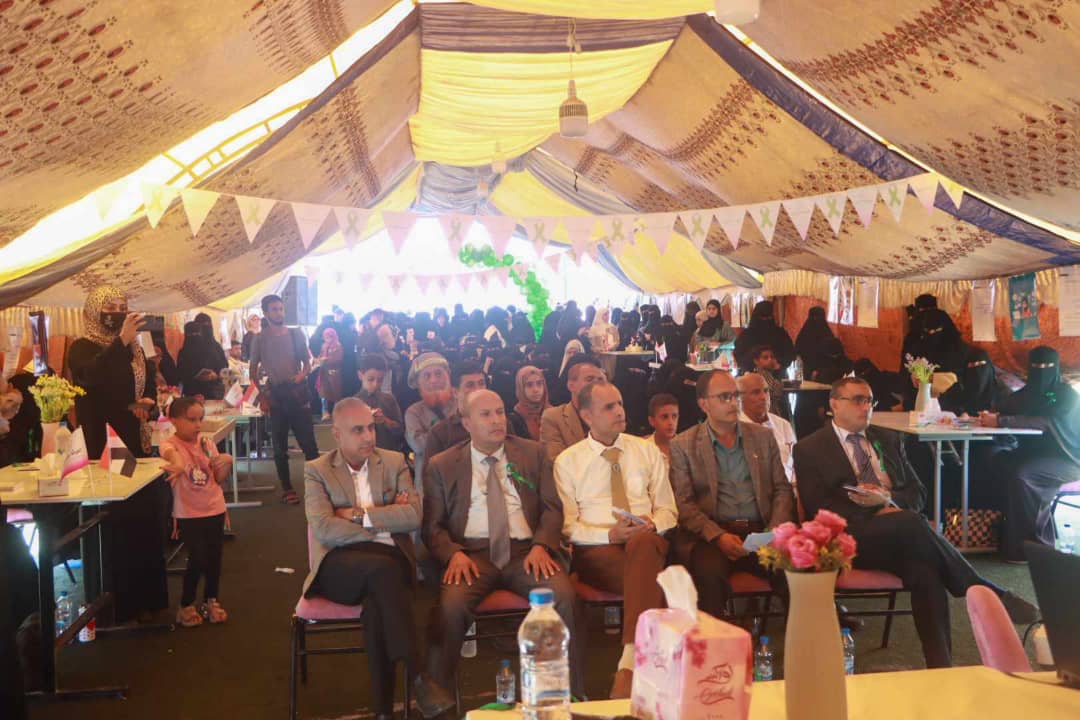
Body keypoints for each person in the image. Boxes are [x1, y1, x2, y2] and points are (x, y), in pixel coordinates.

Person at [794, 377, 1038, 668]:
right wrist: (874, 511)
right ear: (834, 404)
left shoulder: (887, 439)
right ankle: (982, 588)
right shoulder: (810, 448)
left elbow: (918, 493)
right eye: (857, 400)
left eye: (870, 400)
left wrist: (888, 499)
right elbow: (818, 507)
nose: (866, 407)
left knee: (926, 571)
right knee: (911, 523)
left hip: (901, 533)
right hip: (851, 537)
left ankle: (940, 666)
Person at [422, 390, 583, 696]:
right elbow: (432, 527)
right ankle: (436, 695)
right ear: (466, 423)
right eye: (486, 415)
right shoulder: (442, 465)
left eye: (500, 412)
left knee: (563, 596)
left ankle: (571, 693)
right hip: (471, 555)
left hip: (526, 553)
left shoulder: (533, 453)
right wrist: (453, 554)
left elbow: (552, 508)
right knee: (451, 606)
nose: (497, 420)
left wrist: (542, 545)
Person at [303, 398, 454, 720]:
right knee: (383, 573)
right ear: (337, 434)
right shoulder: (317, 470)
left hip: (388, 562)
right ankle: (417, 676)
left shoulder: (393, 461)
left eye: (371, 428)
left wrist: (357, 516)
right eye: (358, 430)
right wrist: (384, 520)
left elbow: (413, 516)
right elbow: (325, 529)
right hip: (339, 565)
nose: (369, 436)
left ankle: (384, 711)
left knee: (377, 606)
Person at [554, 381, 677, 699]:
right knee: (658, 586)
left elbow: (668, 510)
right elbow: (567, 526)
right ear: (586, 416)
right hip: (598, 550)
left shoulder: (645, 450)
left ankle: (629, 662)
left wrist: (652, 523)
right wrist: (607, 534)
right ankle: (656, 674)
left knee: (644, 544)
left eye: (620, 403)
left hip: (647, 541)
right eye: (609, 407)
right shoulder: (568, 461)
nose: (620, 411)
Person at [67, 284, 169, 623]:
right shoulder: (82, 348)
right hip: (106, 445)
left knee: (145, 518)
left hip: (136, 441)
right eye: (109, 307)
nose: (117, 312)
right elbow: (92, 379)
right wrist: (120, 342)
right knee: (117, 522)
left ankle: (149, 601)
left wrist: (148, 404)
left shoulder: (136, 348)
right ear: (94, 311)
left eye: (122, 305)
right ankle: (117, 606)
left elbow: (146, 383)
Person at [669, 370, 794, 619]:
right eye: (724, 397)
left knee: (795, 568)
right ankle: (716, 639)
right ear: (704, 404)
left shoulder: (763, 437)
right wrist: (718, 537)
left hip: (760, 530)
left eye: (736, 396)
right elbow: (684, 504)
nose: (733, 403)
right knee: (709, 577)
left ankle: (808, 636)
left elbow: (782, 488)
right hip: (712, 534)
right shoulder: (684, 444)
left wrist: (773, 531)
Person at [978, 346, 1080, 562]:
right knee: (994, 460)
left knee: (1024, 475)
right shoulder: (1026, 393)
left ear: (1056, 368)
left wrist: (1001, 421)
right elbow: (1005, 407)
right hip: (1032, 455)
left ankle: (1030, 547)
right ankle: (994, 536)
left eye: (1046, 366)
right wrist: (987, 415)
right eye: (1036, 367)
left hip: (1069, 459)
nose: (1041, 371)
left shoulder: (1067, 396)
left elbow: (1047, 422)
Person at [160, 397, 234, 627]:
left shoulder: (206, 443)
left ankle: (211, 600)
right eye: (191, 420)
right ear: (173, 420)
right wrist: (178, 464)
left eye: (200, 419)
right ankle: (186, 604)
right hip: (188, 512)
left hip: (215, 507)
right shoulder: (169, 444)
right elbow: (171, 455)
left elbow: (217, 478)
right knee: (197, 558)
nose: (197, 425)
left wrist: (226, 462)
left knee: (214, 559)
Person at [248, 294, 319, 505]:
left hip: (297, 393)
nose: (279, 313)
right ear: (266, 313)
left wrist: (301, 375)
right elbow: (253, 371)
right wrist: (262, 396)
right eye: (274, 309)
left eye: (280, 308)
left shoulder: (296, 334)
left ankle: (319, 485)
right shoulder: (259, 339)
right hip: (276, 395)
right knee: (279, 447)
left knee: (309, 444)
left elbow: (307, 363)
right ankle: (287, 488)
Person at [540, 355, 606, 462]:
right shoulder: (554, 417)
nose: (596, 384)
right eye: (589, 379)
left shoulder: (610, 414)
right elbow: (558, 462)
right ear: (571, 386)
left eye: (600, 379)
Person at [404, 352, 455, 484]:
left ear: (448, 375)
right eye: (426, 376)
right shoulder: (413, 412)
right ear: (418, 383)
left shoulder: (462, 404)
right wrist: (455, 429)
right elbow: (418, 446)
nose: (433, 380)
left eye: (438, 373)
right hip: (429, 481)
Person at [736, 373, 796, 484]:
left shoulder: (783, 425)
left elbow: (795, 465)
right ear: (740, 398)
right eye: (756, 392)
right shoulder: (733, 430)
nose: (763, 397)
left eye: (766, 391)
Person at [423, 361, 489, 461]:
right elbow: (431, 470)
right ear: (455, 392)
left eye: (481, 383)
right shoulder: (440, 433)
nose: (478, 389)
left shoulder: (501, 423)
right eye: (470, 385)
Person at [355, 354, 405, 453]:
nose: (375, 384)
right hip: (363, 453)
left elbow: (400, 430)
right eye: (370, 379)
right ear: (360, 375)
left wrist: (385, 421)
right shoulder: (353, 403)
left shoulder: (389, 399)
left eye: (380, 380)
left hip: (388, 452)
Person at [734, 301, 794, 373]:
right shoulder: (747, 335)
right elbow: (739, 356)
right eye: (762, 317)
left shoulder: (780, 333)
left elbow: (790, 353)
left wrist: (779, 364)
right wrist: (754, 364)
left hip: (777, 374)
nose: (765, 320)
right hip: (752, 375)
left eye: (769, 317)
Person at [177, 321, 225, 400]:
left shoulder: (210, 350)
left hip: (210, 394)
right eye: (190, 334)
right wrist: (193, 377)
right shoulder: (183, 353)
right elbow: (180, 375)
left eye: (197, 333)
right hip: (191, 396)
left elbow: (221, 370)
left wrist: (214, 376)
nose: (194, 336)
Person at [749, 344, 791, 421]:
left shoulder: (767, 373)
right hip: (768, 412)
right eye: (765, 357)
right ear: (756, 361)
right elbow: (776, 392)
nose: (770, 360)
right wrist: (779, 371)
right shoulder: (762, 373)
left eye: (772, 357)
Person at [508, 365, 549, 442]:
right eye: (529, 385)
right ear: (521, 388)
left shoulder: (553, 412)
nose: (536, 389)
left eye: (539, 383)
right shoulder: (514, 420)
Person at [794, 306, 836, 380]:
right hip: (813, 373)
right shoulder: (827, 333)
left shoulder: (804, 333)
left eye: (817, 317)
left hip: (819, 373)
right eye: (814, 317)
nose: (816, 320)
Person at [316, 327, 345, 421]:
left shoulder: (338, 346)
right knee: (323, 394)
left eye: (329, 336)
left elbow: (339, 358)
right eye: (326, 336)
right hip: (324, 373)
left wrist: (326, 360)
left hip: (334, 373)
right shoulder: (324, 346)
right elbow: (320, 356)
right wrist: (318, 360)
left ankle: (337, 412)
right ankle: (325, 412)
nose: (327, 338)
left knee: (336, 393)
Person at [645, 392, 679, 463]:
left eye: (674, 416)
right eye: (664, 417)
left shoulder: (686, 446)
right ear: (652, 421)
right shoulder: (643, 448)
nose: (670, 422)